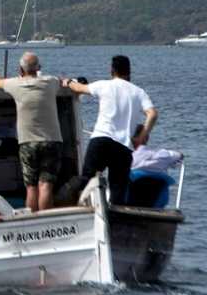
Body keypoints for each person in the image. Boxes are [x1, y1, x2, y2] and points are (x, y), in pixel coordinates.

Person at [63, 55, 157, 206]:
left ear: (111, 70)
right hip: (123, 147)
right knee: (118, 191)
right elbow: (153, 114)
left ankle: (62, 198)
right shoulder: (139, 92)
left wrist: (67, 81)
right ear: (129, 71)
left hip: (101, 140)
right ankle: (114, 224)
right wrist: (141, 137)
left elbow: (78, 88)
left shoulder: (104, 85)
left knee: (86, 178)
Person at [0, 52, 62, 213]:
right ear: (39, 68)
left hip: (27, 143)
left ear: (20, 69)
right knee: (46, 185)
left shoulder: (14, 84)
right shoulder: (50, 82)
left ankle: (31, 220)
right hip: (51, 141)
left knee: (31, 187)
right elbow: (62, 81)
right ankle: (46, 219)